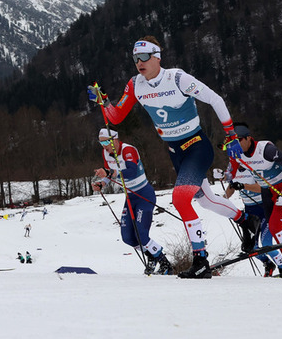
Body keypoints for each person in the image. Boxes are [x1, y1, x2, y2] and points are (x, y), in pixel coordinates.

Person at [92, 36, 251, 278]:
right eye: (135, 58)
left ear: (157, 57)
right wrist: (103, 102)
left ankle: (201, 260)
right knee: (206, 200)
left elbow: (215, 99)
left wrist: (230, 134)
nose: (139, 62)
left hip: (196, 146)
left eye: (144, 57)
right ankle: (247, 220)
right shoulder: (135, 85)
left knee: (180, 199)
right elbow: (115, 117)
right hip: (175, 152)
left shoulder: (177, 78)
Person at [225, 125, 282, 277]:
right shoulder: (236, 154)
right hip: (267, 192)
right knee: (277, 229)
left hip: (281, 190)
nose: (237, 145)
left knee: (275, 227)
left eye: (239, 140)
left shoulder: (266, 150)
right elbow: (230, 173)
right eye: (233, 142)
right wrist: (225, 175)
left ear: (248, 138)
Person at [93, 128, 172, 275]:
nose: (103, 145)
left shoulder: (128, 150)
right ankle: (152, 257)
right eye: (100, 142)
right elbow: (110, 173)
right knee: (128, 237)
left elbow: (131, 171)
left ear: (114, 139)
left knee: (141, 234)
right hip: (130, 196)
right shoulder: (106, 153)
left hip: (144, 194)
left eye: (105, 141)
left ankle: (164, 262)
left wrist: (110, 172)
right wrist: (102, 183)